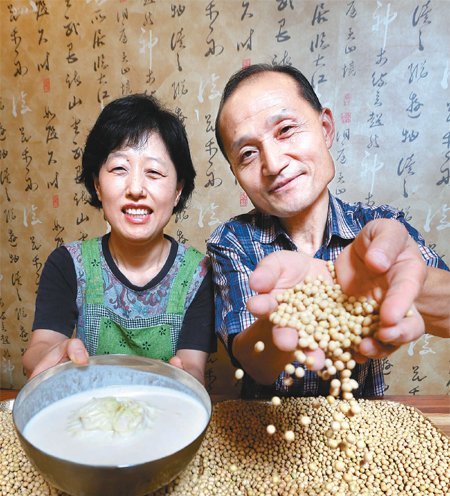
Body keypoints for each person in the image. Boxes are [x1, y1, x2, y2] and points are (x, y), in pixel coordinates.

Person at [207, 63, 449, 399]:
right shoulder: (232, 240)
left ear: (325, 128)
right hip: (266, 434)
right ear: (237, 174)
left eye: (286, 129)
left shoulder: (378, 224)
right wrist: (294, 310)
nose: (274, 164)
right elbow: (253, 363)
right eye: (248, 153)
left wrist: (378, 284)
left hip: (360, 428)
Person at [23, 94, 216, 385]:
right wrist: (55, 355)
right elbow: (39, 348)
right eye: (119, 169)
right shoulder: (68, 264)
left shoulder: (199, 274)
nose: (136, 188)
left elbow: (192, 367)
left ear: (178, 190)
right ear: (98, 185)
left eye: (153, 172)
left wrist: (183, 375)